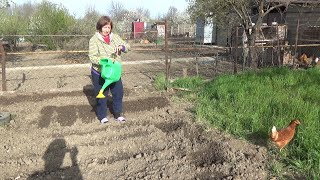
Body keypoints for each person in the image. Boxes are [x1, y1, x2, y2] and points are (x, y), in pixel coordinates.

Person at [88, 16, 130, 124]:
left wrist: (122, 47)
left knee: (118, 93)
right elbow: (92, 56)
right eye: (105, 27)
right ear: (100, 27)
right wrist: (105, 62)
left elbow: (128, 46)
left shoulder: (115, 37)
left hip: (114, 72)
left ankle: (117, 114)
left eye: (109, 27)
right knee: (102, 94)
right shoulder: (94, 40)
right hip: (100, 73)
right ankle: (102, 116)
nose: (107, 30)